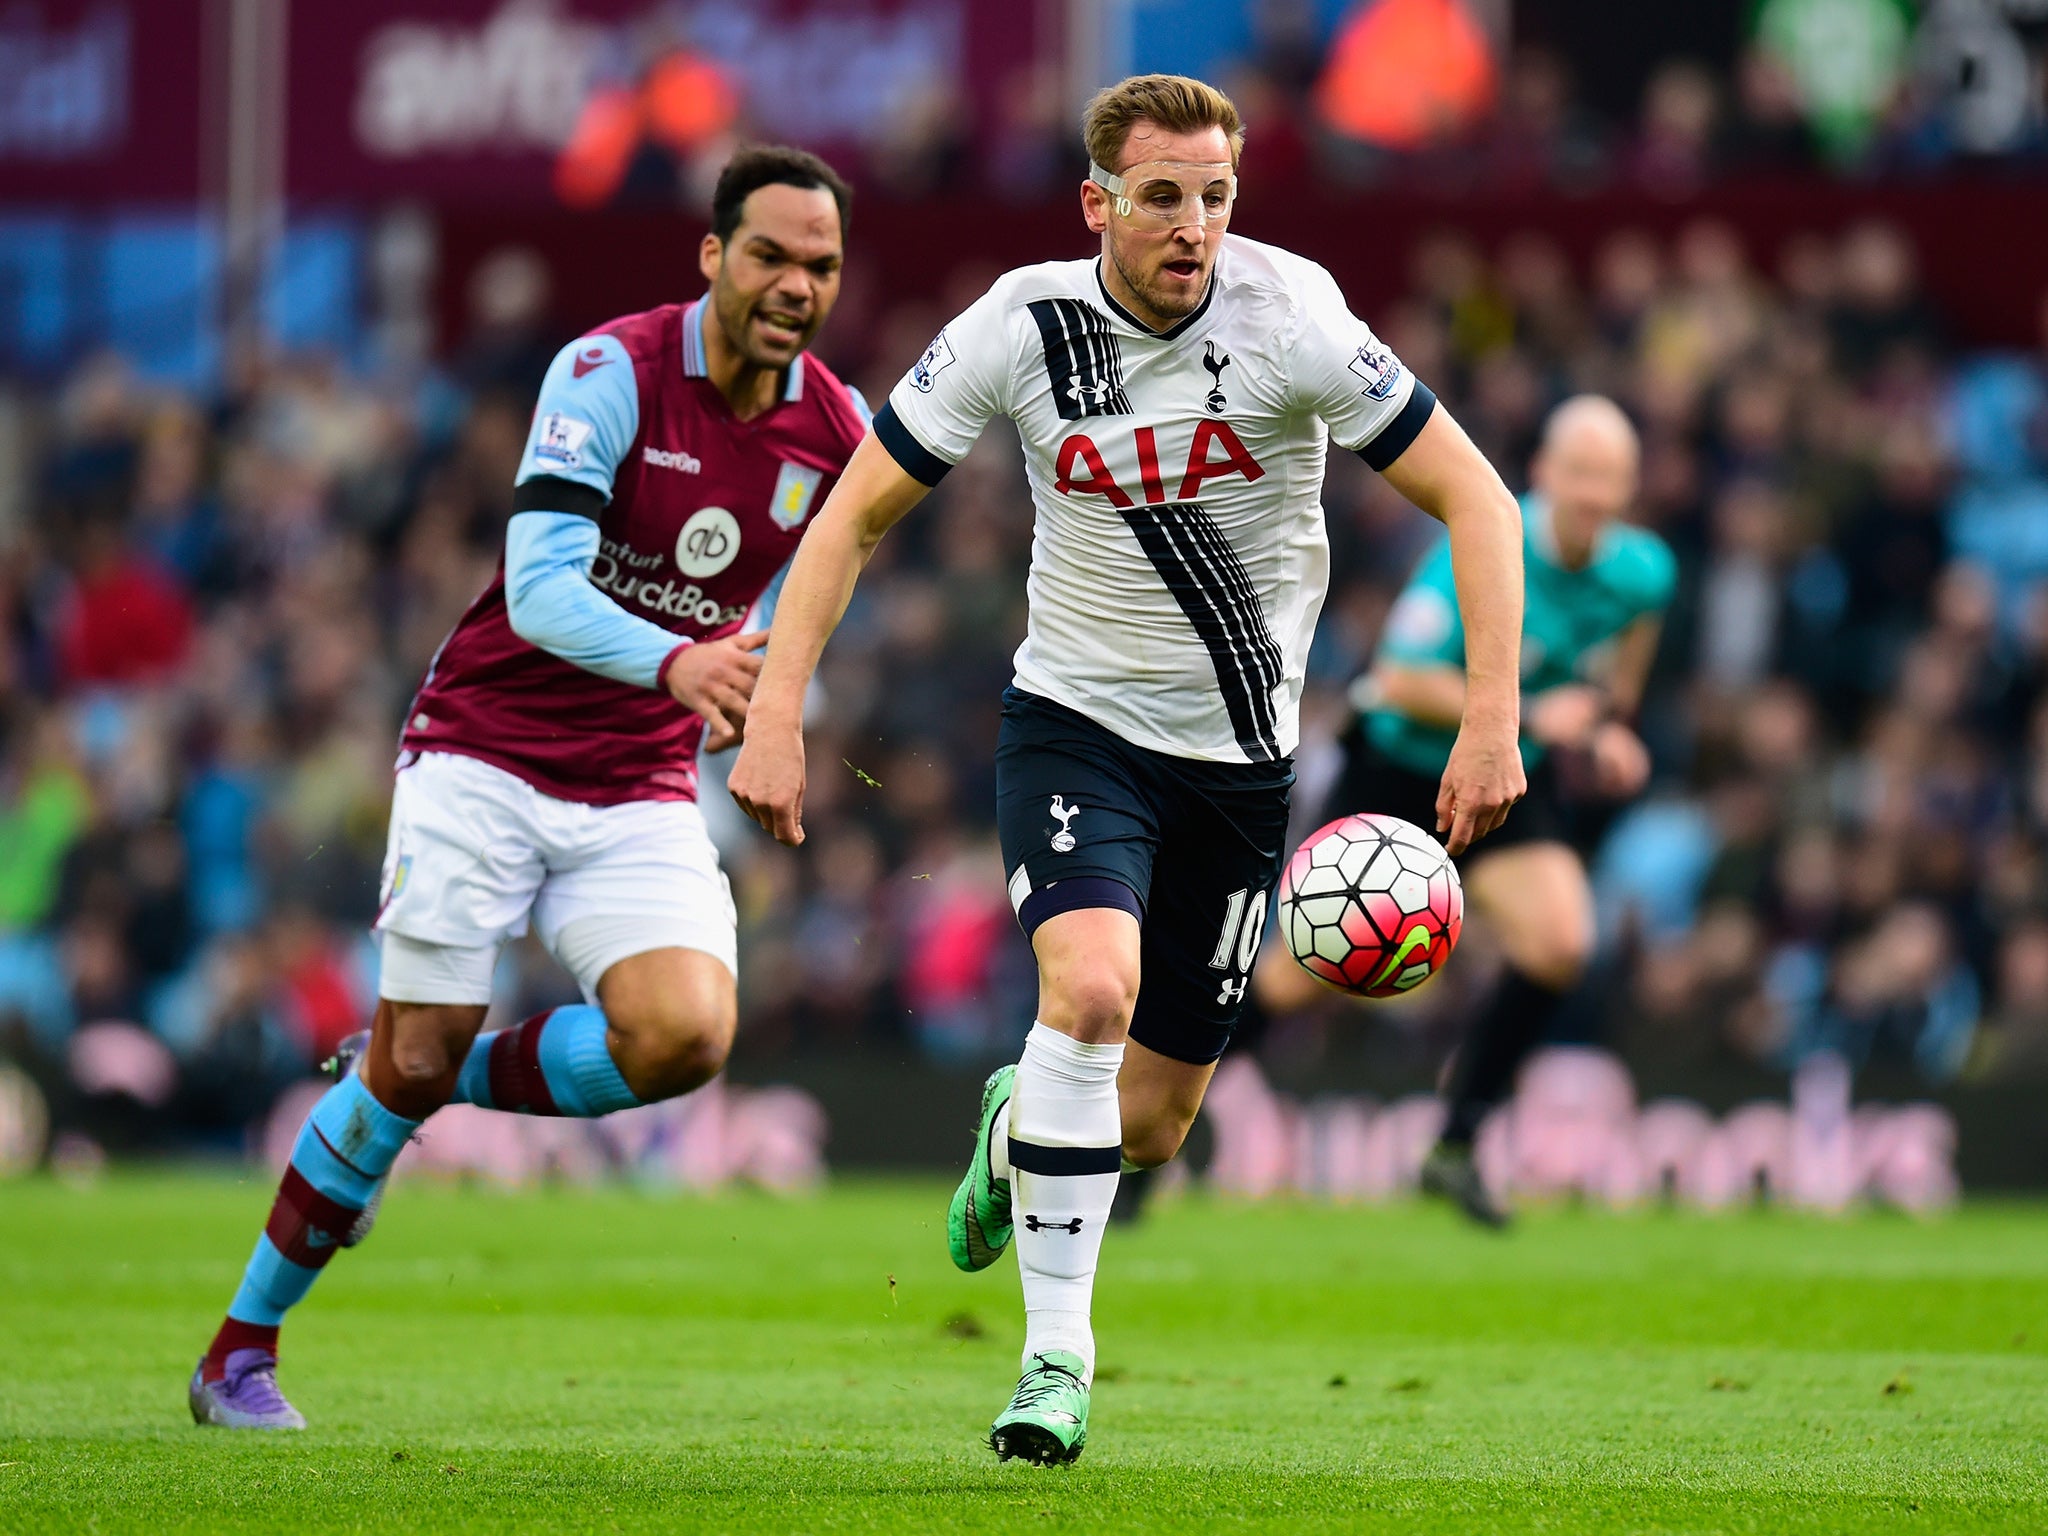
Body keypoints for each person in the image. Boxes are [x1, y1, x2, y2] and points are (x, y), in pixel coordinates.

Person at [727, 75, 1527, 1464]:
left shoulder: (1297, 321)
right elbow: (855, 511)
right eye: (1163, 196)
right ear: (1097, 202)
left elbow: (1478, 496)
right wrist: (778, 709)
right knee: (1089, 991)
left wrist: (1491, 719)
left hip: (1240, 767)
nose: (1194, 226)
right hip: (1075, 727)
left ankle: (1013, 1125)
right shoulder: (1021, 326)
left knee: (1148, 1126)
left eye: (1215, 196)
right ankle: (1056, 1364)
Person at [189, 146, 869, 1430]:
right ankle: (238, 1351)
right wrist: (683, 660)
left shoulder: (835, 432)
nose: (796, 284)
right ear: (713, 255)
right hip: (483, 750)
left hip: (637, 780)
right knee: (416, 1047)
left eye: (821, 265)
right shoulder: (607, 372)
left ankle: (407, 1076)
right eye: (772, 255)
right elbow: (547, 587)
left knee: (684, 1037)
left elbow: (800, 607)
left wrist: (775, 714)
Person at [1261, 394, 1671, 1227]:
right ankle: (1150, 1138)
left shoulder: (1644, 574)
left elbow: (1610, 694)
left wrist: (1605, 735)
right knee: (1300, 982)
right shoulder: (1487, 543)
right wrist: (1521, 710)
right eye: (1580, 472)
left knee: (1560, 944)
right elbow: (1401, 678)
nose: (1594, 491)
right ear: (1545, 473)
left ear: (1631, 485)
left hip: (1509, 780)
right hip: (1401, 774)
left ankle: (1456, 1143)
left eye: (1611, 477)